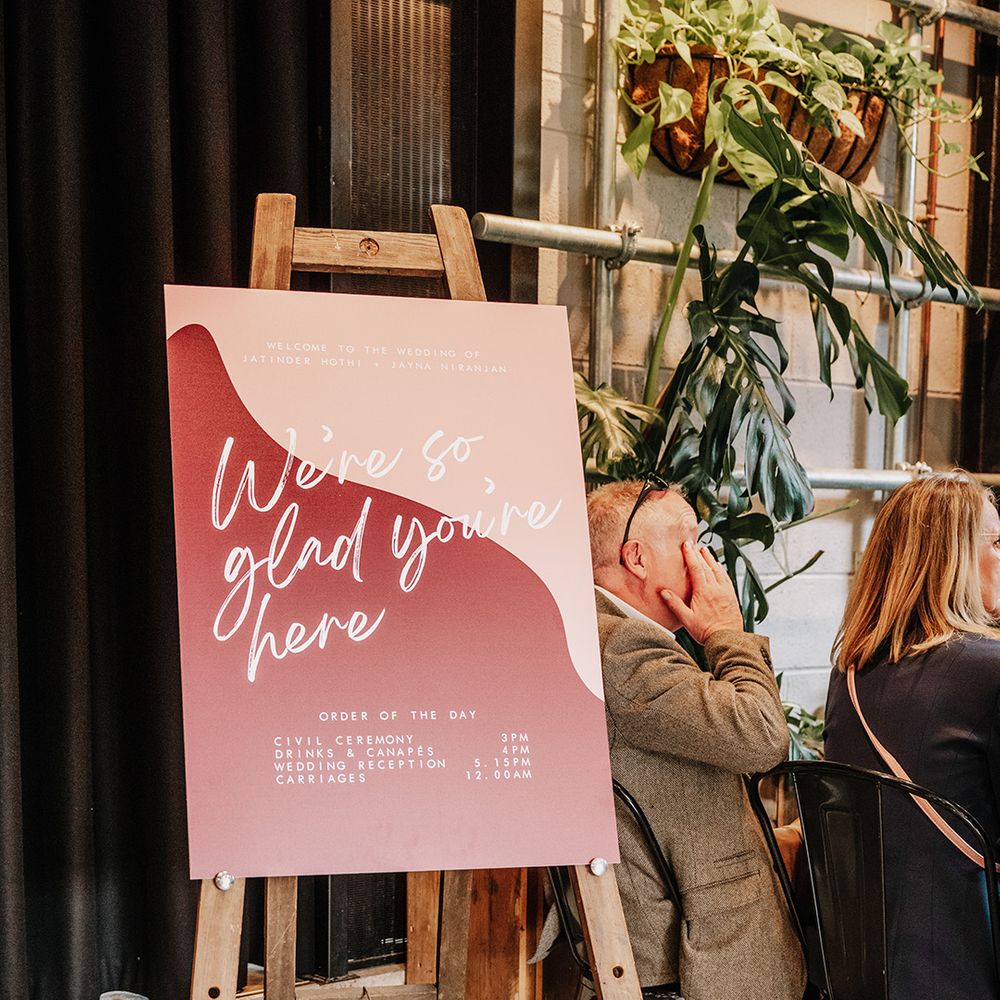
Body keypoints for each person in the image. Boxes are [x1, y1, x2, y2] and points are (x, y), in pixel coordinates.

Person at [588, 478, 806, 1000]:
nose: (705, 558)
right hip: (692, 961)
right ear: (636, 558)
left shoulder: (603, 633)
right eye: (690, 539)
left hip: (682, 941)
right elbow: (760, 737)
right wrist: (727, 632)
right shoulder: (622, 647)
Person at [825, 473, 1000, 999]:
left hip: (862, 968)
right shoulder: (987, 671)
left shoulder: (849, 672)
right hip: (965, 964)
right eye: (996, 543)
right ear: (954, 561)